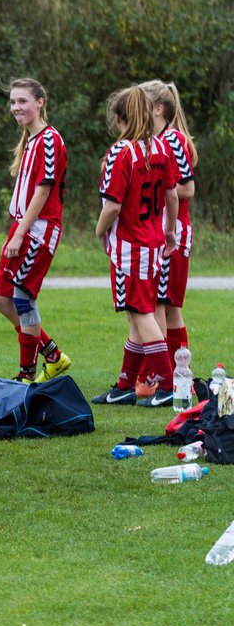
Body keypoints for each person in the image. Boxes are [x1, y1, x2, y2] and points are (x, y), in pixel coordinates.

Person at [89, 86, 179, 405]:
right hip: (152, 242)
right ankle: (126, 384)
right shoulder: (161, 148)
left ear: (119, 117)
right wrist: (168, 231)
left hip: (132, 245)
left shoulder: (121, 152)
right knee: (135, 315)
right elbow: (171, 195)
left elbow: (112, 206)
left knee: (142, 315)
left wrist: (100, 233)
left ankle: (168, 385)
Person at [0, 78, 70, 383]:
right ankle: (52, 355)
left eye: (22, 101)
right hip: (23, 227)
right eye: (12, 102)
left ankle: (25, 376)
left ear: (40, 102)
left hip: (38, 230)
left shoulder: (49, 139)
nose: (16, 107)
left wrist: (21, 233)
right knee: (1, 299)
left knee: (23, 298)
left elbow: (43, 190)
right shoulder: (32, 140)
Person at [139, 79, 197, 407]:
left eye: (142, 102)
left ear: (158, 107)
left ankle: (168, 378)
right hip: (159, 233)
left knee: (165, 306)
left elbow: (186, 188)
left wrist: (161, 189)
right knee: (164, 306)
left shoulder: (172, 139)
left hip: (174, 233)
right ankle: (174, 377)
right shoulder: (155, 139)